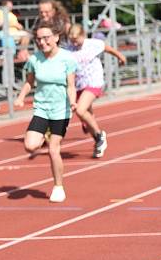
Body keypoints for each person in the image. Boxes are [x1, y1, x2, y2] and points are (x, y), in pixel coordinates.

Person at [15, 19, 77, 203]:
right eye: (39, 39)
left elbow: (71, 85)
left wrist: (73, 102)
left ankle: (58, 187)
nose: (42, 42)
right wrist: (20, 97)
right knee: (30, 146)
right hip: (42, 108)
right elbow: (29, 82)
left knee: (53, 150)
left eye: (46, 38)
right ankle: (44, 135)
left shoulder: (67, 59)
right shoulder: (34, 60)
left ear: (56, 37)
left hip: (60, 110)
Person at [67, 23, 127, 157]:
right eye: (72, 41)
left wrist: (120, 56)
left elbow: (107, 48)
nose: (75, 44)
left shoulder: (92, 44)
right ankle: (98, 142)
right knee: (87, 117)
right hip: (79, 85)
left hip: (94, 81)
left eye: (77, 41)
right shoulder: (69, 50)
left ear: (83, 36)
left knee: (80, 110)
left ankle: (100, 135)